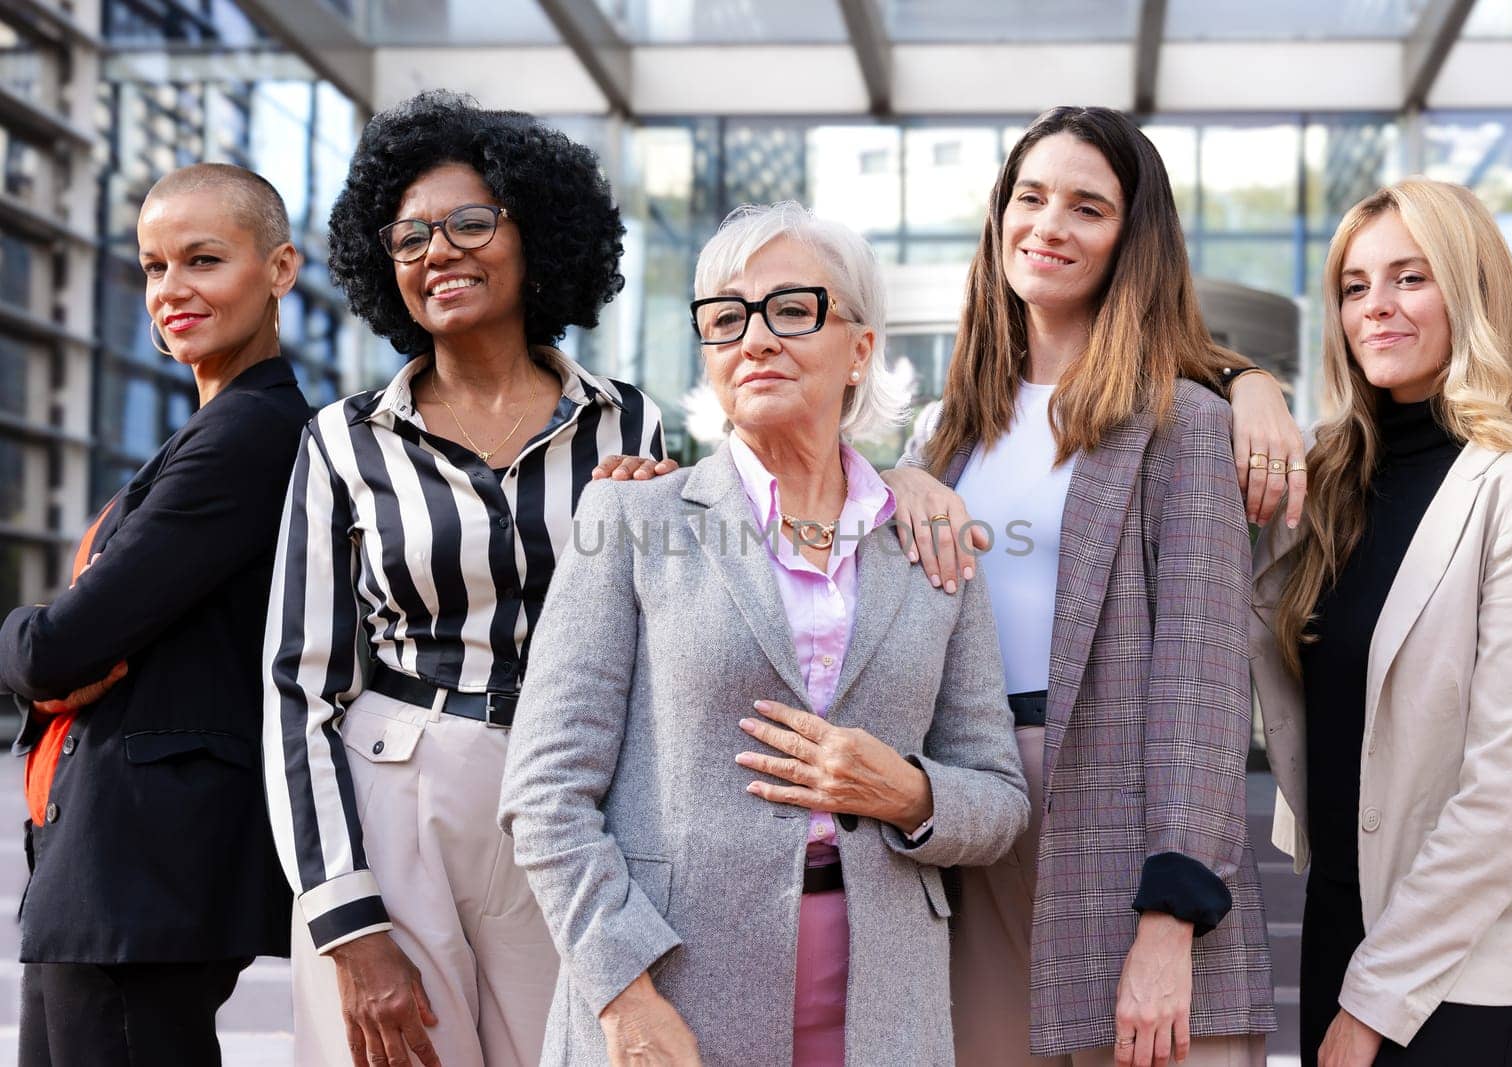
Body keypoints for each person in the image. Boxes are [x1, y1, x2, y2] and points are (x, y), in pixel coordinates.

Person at [499, 201, 1030, 1066]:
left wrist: (908, 792)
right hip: (669, 986)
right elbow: (545, 795)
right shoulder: (632, 518)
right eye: (727, 318)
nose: (756, 338)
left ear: (861, 347)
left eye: (792, 309)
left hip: (884, 1001)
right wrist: (622, 992)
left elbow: (1000, 799)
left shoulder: (930, 540)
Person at [262, 91, 669, 1067]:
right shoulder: (341, 441)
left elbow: (660, 652)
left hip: (567, 800)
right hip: (397, 791)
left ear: (538, 233)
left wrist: (664, 522)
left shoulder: (629, 428)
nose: (437, 250)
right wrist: (348, 923)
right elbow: (299, 687)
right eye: (409, 237)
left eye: (470, 222)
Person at [884, 106, 1277, 1066]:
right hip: (966, 818)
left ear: (1129, 241)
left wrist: (1172, 913)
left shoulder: (1182, 424)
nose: (1049, 225)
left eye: (1088, 207)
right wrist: (894, 480)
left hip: (1120, 820)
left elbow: (1200, 680)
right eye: (1031, 197)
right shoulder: (946, 435)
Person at [1251, 178, 1512, 1067]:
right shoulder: (1327, 488)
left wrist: (1374, 1001)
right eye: (1355, 285)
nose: (1377, 307)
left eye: (1410, 277)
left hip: (1467, 962)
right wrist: (1249, 382)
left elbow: (1511, 791)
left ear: (1471, 291)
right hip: (1339, 916)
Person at [0, 163, 306, 1066]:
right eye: (153, 266)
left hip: (140, 879)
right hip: (101, 872)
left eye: (203, 260)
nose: (172, 291)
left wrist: (18, 634)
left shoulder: (252, 434)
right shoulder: (207, 431)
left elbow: (63, 648)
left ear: (281, 269)